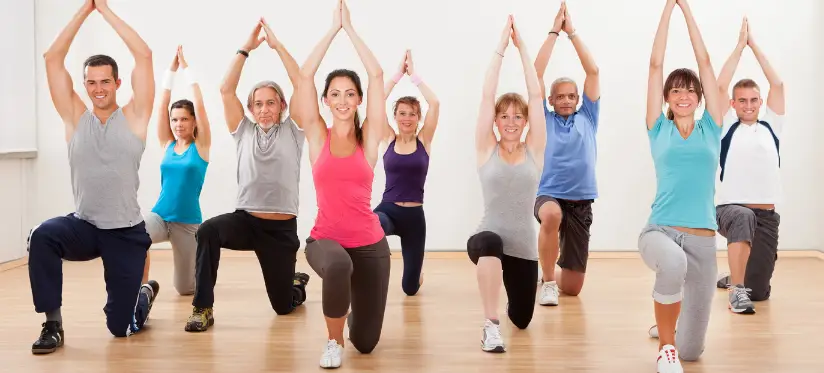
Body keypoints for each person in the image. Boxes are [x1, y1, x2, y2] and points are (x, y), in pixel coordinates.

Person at [29, 0, 157, 354]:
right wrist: (84, 11)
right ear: (84, 85)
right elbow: (52, 59)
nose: (98, 89)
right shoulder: (75, 116)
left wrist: (105, 11)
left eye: (105, 81)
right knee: (42, 236)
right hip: (84, 226)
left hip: (125, 233)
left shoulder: (135, 116)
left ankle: (144, 294)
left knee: (120, 329)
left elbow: (144, 56)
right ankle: (52, 324)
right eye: (91, 83)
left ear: (117, 82)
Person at [185, 18, 309, 332]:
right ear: (250, 110)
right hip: (247, 222)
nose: (264, 109)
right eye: (258, 104)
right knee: (208, 231)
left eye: (271, 103)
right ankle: (203, 307)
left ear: (282, 106)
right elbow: (226, 89)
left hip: (281, 232)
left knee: (283, 308)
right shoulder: (243, 131)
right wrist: (245, 49)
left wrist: (278, 46)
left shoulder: (294, 132)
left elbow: (303, 85)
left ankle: (295, 284)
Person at [293, 0, 390, 368]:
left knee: (366, 343)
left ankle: (349, 317)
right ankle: (333, 343)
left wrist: (351, 29)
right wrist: (333, 29)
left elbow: (378, 75)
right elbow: (304, 76)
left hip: (369, 244)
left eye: (350, 93)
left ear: (359, 99)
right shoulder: (318, 135)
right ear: (325, 100)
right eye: (335, 93)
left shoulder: (370, 140)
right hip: (326, 240)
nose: (343, 100)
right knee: (336, 266)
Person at [640, 0, 723, 371]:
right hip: (661, 231)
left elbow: (706, 64)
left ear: (700, 97)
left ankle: (670, 330)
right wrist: (668, 11)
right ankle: (666, 349)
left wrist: (688, 10)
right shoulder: (658, 128)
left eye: (691, 90)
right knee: (671, 262)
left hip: (704, 240)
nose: (684, 94)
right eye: (676, 91)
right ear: (667, 99)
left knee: (694, 352)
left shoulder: (711, 128)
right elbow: (655, 65)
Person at [469, 15, 547, 353]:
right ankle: (490, 325)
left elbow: (536, 92)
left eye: (519, 116)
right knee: (488, 243)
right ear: (496, 122)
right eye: (505, 116)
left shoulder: (534, 151)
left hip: (524, 248)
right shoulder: (487, 149)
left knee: (524, 319)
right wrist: (501, 48)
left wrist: (523, 48)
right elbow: (487, 95)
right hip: (488, 239)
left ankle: (508, 313)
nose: (512, 121)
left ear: (526, 120)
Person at [714, 17, 785, 314]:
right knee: (743, 216)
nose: (748, 105)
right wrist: (738, 48)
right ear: (733, 104)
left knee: (760, 294)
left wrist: (754, 45)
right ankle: (736, 290)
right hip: (731, 211)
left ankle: (737, 277)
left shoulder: (772, 126)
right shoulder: (725, 127)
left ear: (760, 102)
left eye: (754, 100)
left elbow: (777, 83)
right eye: (741, 100)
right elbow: (719, 85)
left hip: (765, 216)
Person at [532, 1, 601, 305]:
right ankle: (548, 281)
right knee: (551, 214)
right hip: (549, 194)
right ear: (550, 99)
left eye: (571, 96)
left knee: (572, 288)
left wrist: (571, 34)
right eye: (560, 96)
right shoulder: (543, 120)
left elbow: (593, 70)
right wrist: (552, 32)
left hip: (581, 201)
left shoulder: (588, 117)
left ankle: (548, 272)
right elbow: (535, 73)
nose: (566, 100)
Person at [142, 45, 211, 296]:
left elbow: (201, 105)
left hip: (186, 224)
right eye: (175, 119)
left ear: (193, 121)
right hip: (160, 216)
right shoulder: (167, 144)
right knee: (134, 236)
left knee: (185, 289)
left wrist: (187, 71)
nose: (178, 124)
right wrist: (169, 73)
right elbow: (161, 107)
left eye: (184, 119)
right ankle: (142, 289)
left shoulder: (201, 147)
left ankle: (202, 265)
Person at [375, 49, 440, 296]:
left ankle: (416, 274)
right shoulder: (387, 138)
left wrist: (414, 76)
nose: (407, 118)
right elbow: (376, 101)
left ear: (418, 118)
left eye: (412, 114)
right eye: (402, 113)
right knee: (373, 226)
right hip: (388, 210)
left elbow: (435, 103)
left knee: (409, 289)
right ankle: (371, 274)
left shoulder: (424, 140)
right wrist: (396, 75)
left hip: (414, 218)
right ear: (395, 116)